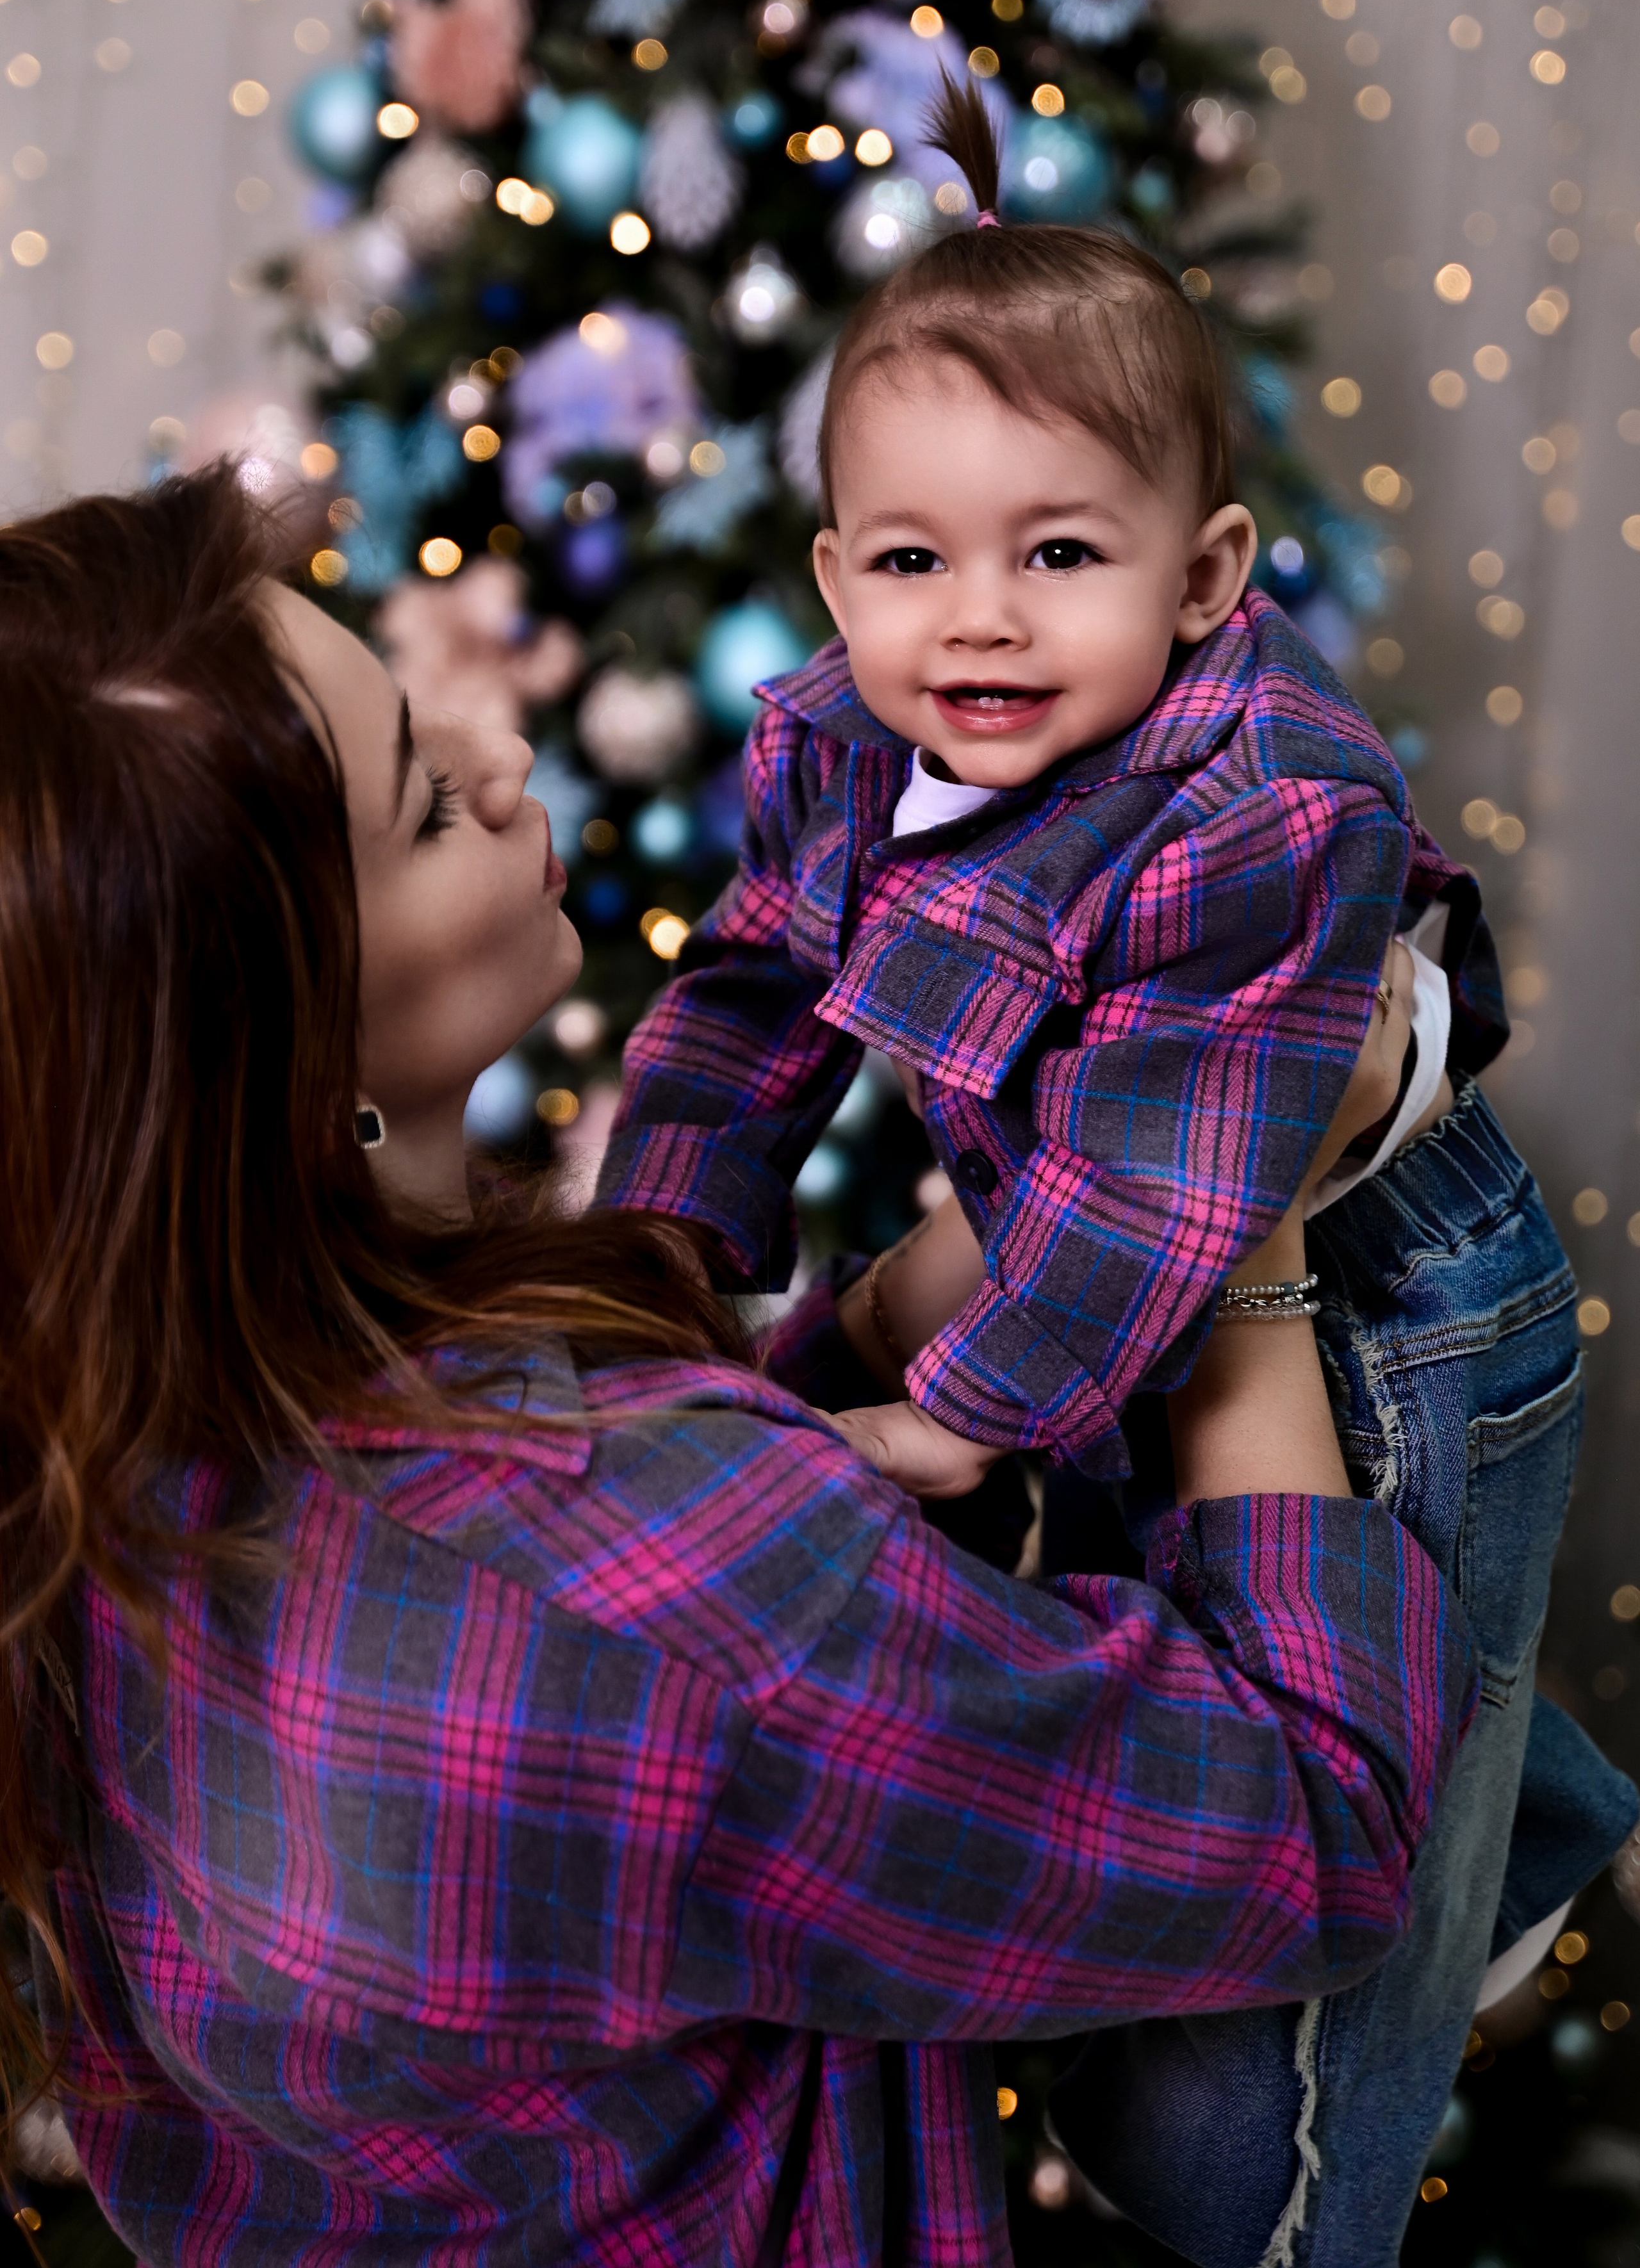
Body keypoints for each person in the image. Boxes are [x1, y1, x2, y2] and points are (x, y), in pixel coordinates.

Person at [0, 469, 1475, 2267]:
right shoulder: (627, 1581)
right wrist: (1232, 1217)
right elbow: (1311, 1826)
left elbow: (683, 1607)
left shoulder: (91, 1454)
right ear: (290, 1068)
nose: (489, 749)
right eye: (417, 800)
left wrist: (907, 1307)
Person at [594, 77, 1637, 2266]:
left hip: (1377, 1297)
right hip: (1118, 1246)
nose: (976, 621)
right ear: (832, 573)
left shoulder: (1260, 805)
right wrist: (661, 1248)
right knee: (1258, 1608)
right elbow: (751, 1000)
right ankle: (1535, 1821)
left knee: (1374, 1704)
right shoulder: (831, 740)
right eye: (912, 560)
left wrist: (956, 1408)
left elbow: (1163, 1195)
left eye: (1060, 553)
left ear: (1206, 575)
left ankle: (1458, 1889)